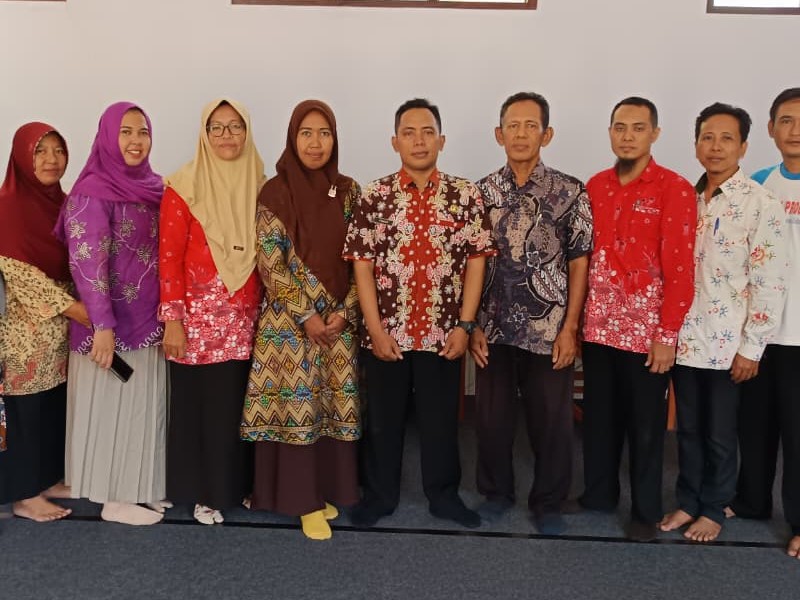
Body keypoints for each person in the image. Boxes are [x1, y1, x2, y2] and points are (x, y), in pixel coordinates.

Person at [343, 98, 495, 529]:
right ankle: (379, 497)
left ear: (441, 141)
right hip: (387, 332)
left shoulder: (464, 195)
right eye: (409, 133)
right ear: (395, 142)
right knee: (383, 421)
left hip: (443, 333)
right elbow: (362, 266)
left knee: (440, 421)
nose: (419, 141)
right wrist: (375, 330)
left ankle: (444, 496)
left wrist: (465, 325)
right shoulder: (374, 196)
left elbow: (477, 262)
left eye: (428, 132)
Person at [660, 102, 788, 543]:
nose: (715, 147)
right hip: (684, 339)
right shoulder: (683, 199)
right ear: (696, 144)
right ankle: (688, 501)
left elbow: (771, 280)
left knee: (719, 433)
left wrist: (752, 347)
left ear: (744, 146)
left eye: (726, 139)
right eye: (707, 138)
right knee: (688, 430)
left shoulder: (760, 203)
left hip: (728, 344)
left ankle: (714, 508)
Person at [469, 92, 593, 534]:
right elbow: (472, 262)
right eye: (512, 126)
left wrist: (570, 327)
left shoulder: (570, 191)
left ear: (547, 133)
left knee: (552, 421)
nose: (521, 134)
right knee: (492, 418)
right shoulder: (481, 192)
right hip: (493, 326)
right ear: (498, 133)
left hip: (549, 328)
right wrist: (472, 324)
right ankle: (496, 493)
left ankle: (548, 502)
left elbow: (579, 262)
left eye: (530, 125)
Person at [240, 100, 361, 541]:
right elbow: (270, 263)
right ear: (293, 138)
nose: (315, 143)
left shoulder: (349, 191)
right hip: (289, 325)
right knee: (298, 409)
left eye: (324, 133)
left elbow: (361, 258)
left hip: (338, 322)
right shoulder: (275, 192)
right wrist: (308, 314)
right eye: (306, 133)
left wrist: (346, 310)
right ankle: (301, 500)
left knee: (329, 408)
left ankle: (325, 491)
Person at [578, 97, 697, 542]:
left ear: (655, 134)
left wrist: (667, 335)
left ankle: (645, 511)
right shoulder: (596, 185)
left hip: (646, 336)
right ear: (610, 132)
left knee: (646, 427)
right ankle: (598, 495)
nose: (627, 136)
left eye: (638, 128)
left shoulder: (674, 188)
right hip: (598, 328)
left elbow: (680, 269)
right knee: (599, 419)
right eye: (620, 127)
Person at [60, 102, 167, 526]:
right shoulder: (92, 191)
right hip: (109, 326)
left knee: (141, 408)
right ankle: (113, 498)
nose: (136, 141)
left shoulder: (153, 187)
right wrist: (102, 326)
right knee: (111, 409)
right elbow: (87, 262)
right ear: (107, 136)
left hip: (147, 320)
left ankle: (137, 487)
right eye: (125, 132)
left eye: (143, 132)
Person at [160, 99, 263, 525]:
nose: (226, 135)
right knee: (201, 410)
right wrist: (172, 320)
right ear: (204, 133)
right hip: (197, 322)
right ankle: (204, 493)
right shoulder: (183, 186)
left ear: (247, 131)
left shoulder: (260, 182)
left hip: (246, 318)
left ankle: (235, 486)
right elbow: (169, 257)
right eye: (216, 127)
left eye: (235, 126)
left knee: (237, 406)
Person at [0, 122, 90, 521]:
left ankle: (48, 478)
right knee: (26, 411)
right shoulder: (7, 207)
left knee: (54, 406)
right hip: (25, 333)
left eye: (58, 150)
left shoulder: (65, 204)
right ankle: (24, 495)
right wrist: (76, 308)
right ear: (22, 157)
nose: (52, 160)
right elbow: (19, 275)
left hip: (63, 331)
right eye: (40, 151)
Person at [731, 87, 800, 559]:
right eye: (786, 121)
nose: (795, 130)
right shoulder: (758, 184)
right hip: (758, 333)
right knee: (754, 424)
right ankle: (751, 501)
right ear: (771, 129)